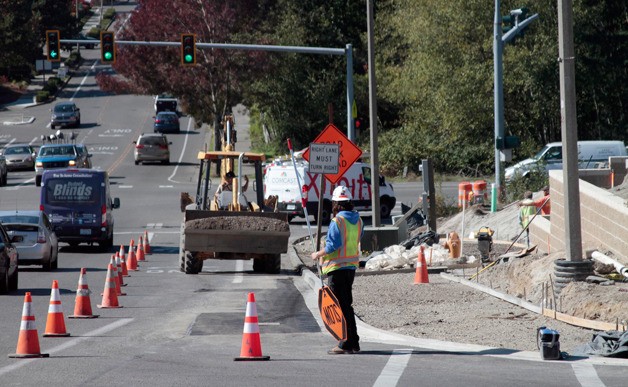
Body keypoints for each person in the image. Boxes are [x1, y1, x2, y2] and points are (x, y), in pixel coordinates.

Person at [310, 186, 364, 354]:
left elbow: (333, 245)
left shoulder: (338, 221)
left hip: (337, 269)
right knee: (347, 305)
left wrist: (317, 254)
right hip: (351, 268)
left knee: (339, 306)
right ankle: (353, 342)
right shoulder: (359, 220)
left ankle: (345, 342)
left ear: (336, 203)